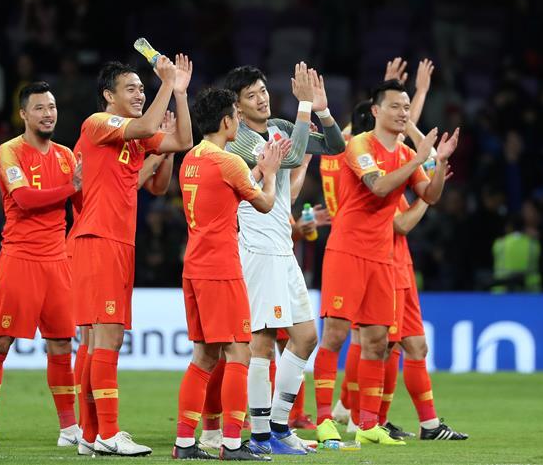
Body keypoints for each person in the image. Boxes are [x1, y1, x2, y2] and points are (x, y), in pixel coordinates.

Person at [313, 79, 458, 446]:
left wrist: (437, 164)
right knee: (335, 335)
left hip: (382, 257)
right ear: (376, 111)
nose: (403, 113)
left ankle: (367, 425)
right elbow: (377, 186)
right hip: (347, 250)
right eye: (395, 106)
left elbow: (430, 195)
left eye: (407, 107)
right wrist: (416, 159)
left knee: (378, 341)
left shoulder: (409, 155)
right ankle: (324, 419)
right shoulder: (359, 144)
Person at [71, 56, 194, 457]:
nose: (140, 93)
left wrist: (179, 93)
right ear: (109, 96)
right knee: (107, 335)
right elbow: (143, 127)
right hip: (97, 238)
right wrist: (165, 84)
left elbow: (180, 146)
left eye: (143, 87)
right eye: (132, 88)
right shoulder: (98, 123)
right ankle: (108, 431)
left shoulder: (134, 139)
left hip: (118, 242)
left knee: (97, 339)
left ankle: (90, 435)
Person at [222, 63, 345, 456]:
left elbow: (334, 147)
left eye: (263, 89)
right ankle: (259, 435)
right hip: (256, 249)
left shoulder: (277, 125)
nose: (263, 97)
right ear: (238, 109)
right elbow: (290, 162)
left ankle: (277, 426)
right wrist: (304, 106)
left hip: (282, 248)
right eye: (252, 95)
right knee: (262, 340)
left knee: (307, 336)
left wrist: (321, 109)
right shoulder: (238, 142)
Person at [173, 87, 284, 461]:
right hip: (221, 267)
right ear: (226, 121)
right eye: (235, 116)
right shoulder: (228, 162)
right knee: (240, 351)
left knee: (203, 356)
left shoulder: (190, 159)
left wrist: (254, 172)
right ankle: (233, 444)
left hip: (194, 267)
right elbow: (266, 204)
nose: (239, 121)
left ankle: (185, 443)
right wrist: (268, 173)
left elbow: (223, 193)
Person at [0, 82, 82, 449]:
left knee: (60, 345)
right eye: (39, 108)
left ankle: (69, 430)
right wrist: (72, 187)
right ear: (23, 114)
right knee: (1, 341)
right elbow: (22, 199)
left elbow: (92, 192)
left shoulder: (68, 156)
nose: (48, 113)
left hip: (57, 261)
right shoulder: (9, 152)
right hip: (20, 259)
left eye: (51, 107)